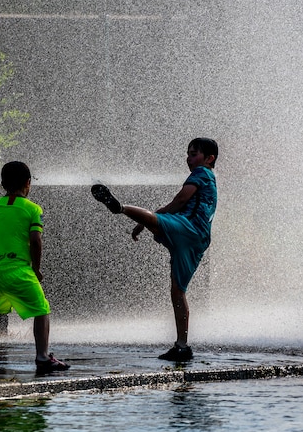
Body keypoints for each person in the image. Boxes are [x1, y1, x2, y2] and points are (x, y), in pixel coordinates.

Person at [91, 137, 218, 362]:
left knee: (158, 219)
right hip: (198, 239)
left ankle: (120, 207)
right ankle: (182, 346)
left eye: (194, 154)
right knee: (178, 291)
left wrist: (151, 218)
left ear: (209, 158)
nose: (189, 159)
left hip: (187, 228)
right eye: (188, 154)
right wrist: (144, 222)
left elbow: (179, 200)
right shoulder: (211, 179)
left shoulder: (201, 173)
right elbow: (170, 208)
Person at [0, 161, 70, 373]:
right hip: (18, 270)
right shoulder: (32, 209)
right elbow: (36, 241)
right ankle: (42, 357)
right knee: (42, 309)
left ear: (2, 184)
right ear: (28, 183)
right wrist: (37, 269)